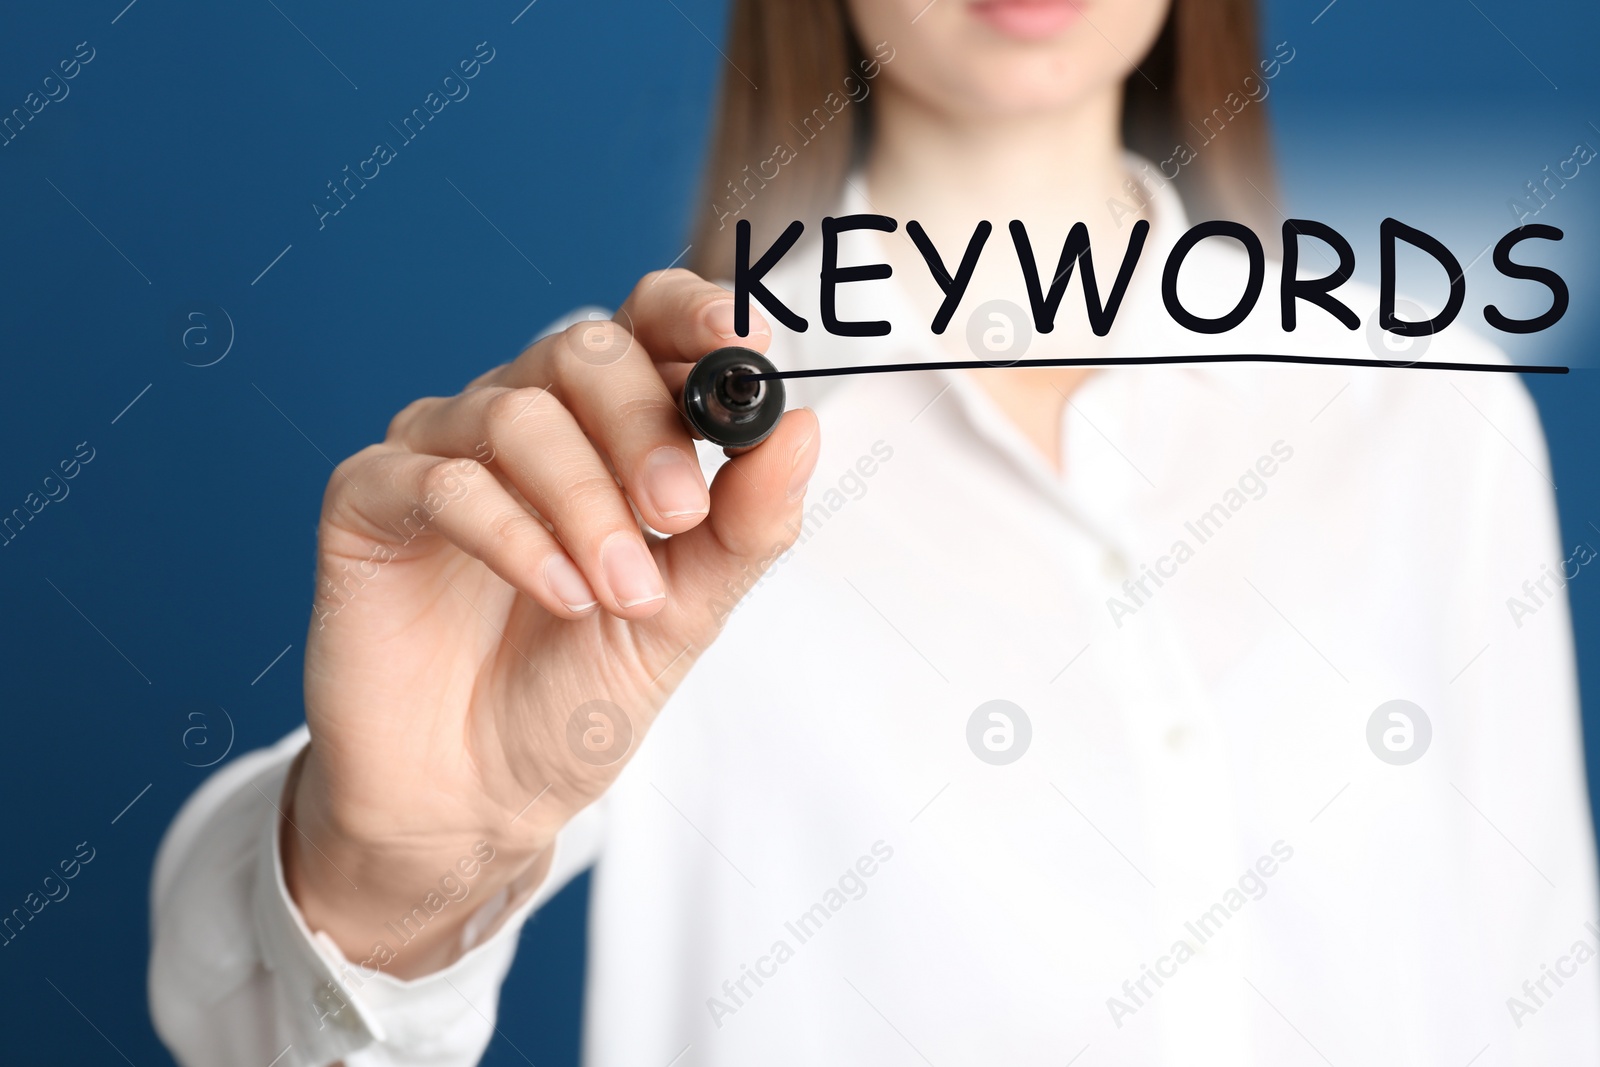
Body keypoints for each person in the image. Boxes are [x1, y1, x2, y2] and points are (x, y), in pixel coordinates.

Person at [150, 0, 1600, 1063]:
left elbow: (1549, 981)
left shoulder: (1426, 397)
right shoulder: (645, 451)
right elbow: (272, 1036)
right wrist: (384, 870)